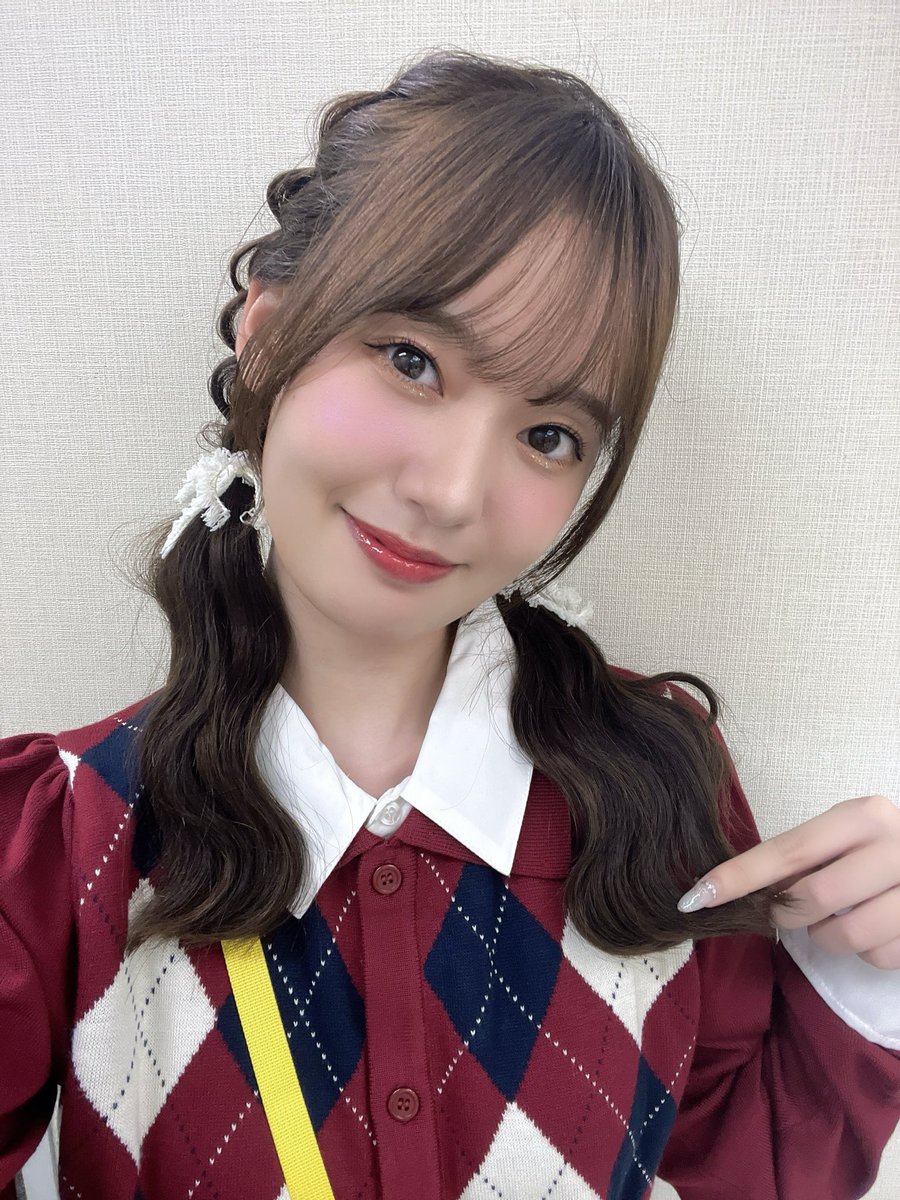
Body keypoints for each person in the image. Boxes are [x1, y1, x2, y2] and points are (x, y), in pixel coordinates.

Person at [1, 47, 899, 1200]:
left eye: (548, 435)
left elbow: (737, 1169)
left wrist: (860, 976)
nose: (454, 492)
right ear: (268, 332)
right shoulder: (60, 851)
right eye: (412, 360)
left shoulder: (654, 793)